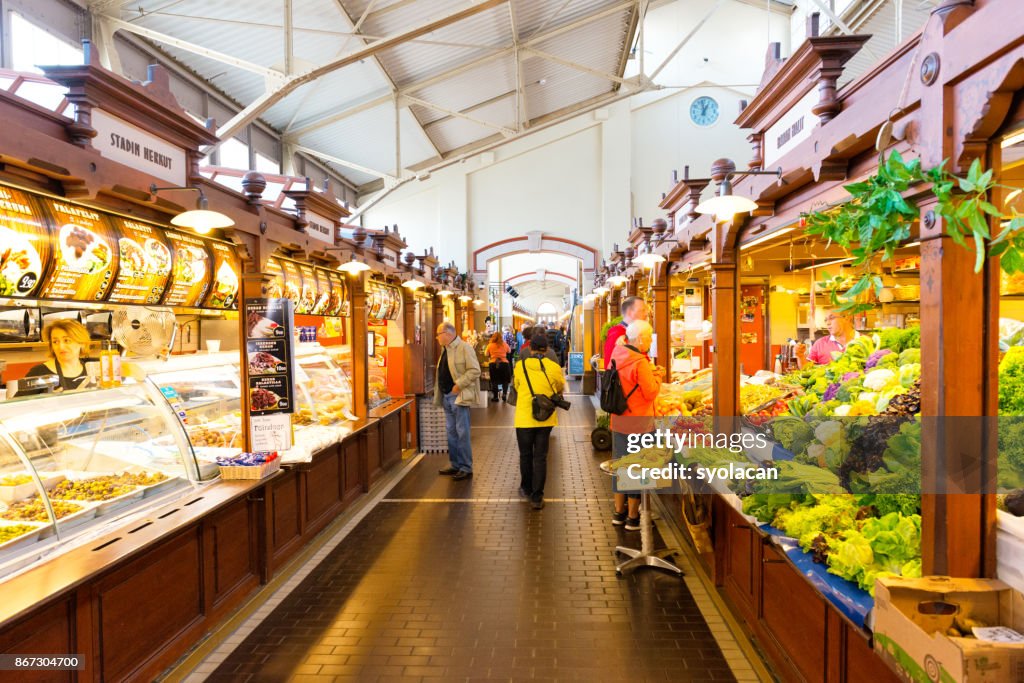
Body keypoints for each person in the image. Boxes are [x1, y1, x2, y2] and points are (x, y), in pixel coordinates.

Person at [608, 320, 663, 530]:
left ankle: (618, 512)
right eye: (649, 337)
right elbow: (649, 392)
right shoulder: (639, 361)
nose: (650, 341)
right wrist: (657, 375)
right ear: (640, 339)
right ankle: (633, 517)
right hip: (639, 422)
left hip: (619, 418)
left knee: (621, 465)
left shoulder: (616, 353)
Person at [513, 331, 566, 510]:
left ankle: (526, 488)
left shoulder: (520, 366)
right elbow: (559, 386)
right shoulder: (553, 367)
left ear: (530, 348)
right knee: (540, 457)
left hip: (524, 417)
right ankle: (537, 497)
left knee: (525, 455)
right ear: (546, 349)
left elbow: (517, 386)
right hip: (545, 418)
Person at [433, 322, 481, 480]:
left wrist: (458, 385)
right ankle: (455, 464)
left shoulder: (464, 348)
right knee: (451, 432)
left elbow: (475, 370)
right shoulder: (445, 350)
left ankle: (466, 467)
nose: (437, 338)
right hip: (447, 396)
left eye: (438, 334)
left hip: (458, 396)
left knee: (462, 432)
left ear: (447, 333)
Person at [25, 320, 95, 392]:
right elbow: (20, 402)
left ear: (81, 343)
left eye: (67, 340)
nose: (61, 347)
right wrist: (46, 401)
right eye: (55, 342)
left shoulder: (92, 368)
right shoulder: (39, 372)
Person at [603, 296, 648, 366]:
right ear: (629, 312)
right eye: (641, 311)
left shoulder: (634, 332)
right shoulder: (617, 333)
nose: (646, 314)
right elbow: (613, 367)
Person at [485, 331, 511, 402]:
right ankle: (504, 394)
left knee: (494, 380)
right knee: (505, 380)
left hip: (493, 363)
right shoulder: (504, 344)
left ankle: (495, 397)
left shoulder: (490, 345)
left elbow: (486, 354)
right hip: (504, 363)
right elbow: (509, 351)